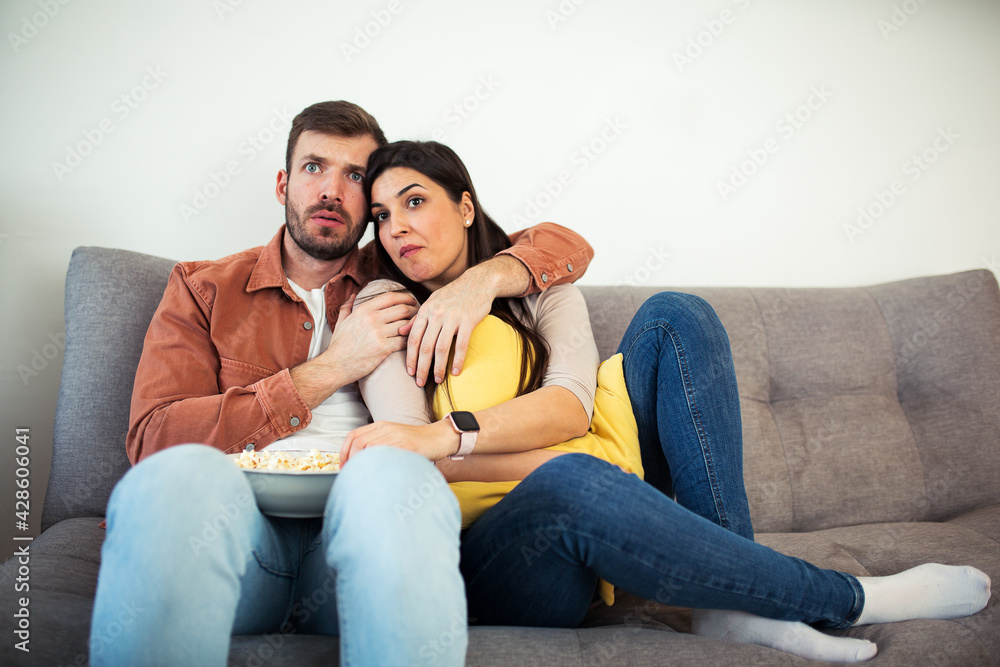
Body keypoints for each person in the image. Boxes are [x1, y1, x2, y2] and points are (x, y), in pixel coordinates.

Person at [342, 139, 993, 663]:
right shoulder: (385, 308)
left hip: (603, 484)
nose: (396, 227)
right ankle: (851, 596)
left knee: (675, 314)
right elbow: (413, 458)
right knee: (572, 477)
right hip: (501, 555)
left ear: (463, 206)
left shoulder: (541, 291)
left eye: (414, 201)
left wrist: (482, 284)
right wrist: (567, 465)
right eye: (381, 216)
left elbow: (570, 404)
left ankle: (729, 608)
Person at [89, 101, 596, 667]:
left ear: (372, 198)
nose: (331, 189)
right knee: (173, 477)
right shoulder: (204, 288)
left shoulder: (405, 270)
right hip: (237, 538)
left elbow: (560, 245)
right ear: (283, 182)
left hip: (358, 538)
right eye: (314, 168)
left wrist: (476, 284)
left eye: (354, 175)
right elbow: (155, 437)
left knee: (393, 477)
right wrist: (334, 365)